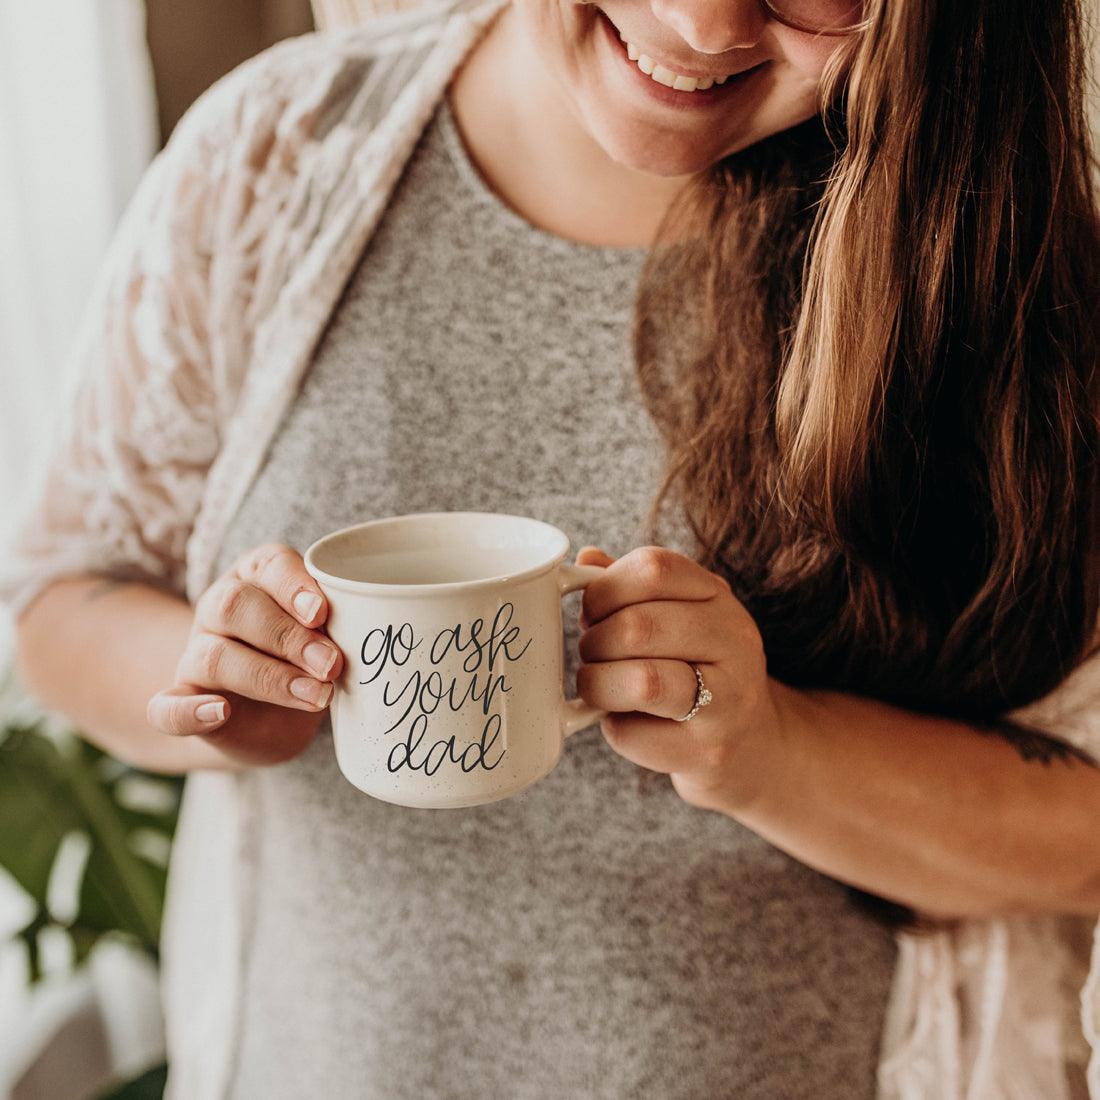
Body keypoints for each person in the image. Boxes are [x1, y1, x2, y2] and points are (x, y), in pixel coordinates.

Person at [4, 0, 1100, 1095]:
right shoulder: (278, 158)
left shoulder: (991, 251)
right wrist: (216, 687)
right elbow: (59, 593)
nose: (702, 24)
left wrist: (773, 753)